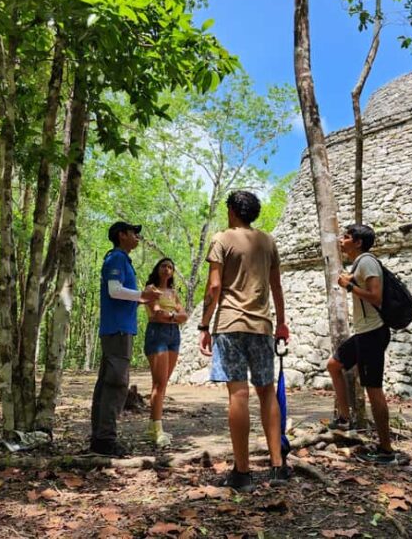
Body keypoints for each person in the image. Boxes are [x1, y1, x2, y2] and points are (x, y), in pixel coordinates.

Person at [198, 190, 291, 492]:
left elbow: (214, 287)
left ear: (232, 211)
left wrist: (203, 325)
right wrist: (281, 323)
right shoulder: (267, 241)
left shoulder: (221, 239)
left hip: (230, 324)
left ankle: (243, 472)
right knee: (266, 394)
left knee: (238, 394)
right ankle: (278, 466)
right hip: (262, 326)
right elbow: (276, 284)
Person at [326, 224, 400, 465]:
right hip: (364, 333)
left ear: (358, 242)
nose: (341, 239)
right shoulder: (359, 263)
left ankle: (386, 451)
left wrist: (349, 286)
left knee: (374, 390)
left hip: (373, 333)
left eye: (346, 237)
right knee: (334, 364)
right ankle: (345, 419)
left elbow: (375, 296)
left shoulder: (367, 262)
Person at [90, 221, 159, 457]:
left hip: (120, 328)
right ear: (122, 235)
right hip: (117, 329)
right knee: (116, 383)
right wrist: (142, 295)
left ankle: (100, 438)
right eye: (134, 233)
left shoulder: (122, 259)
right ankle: (106, 440)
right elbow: (114, 290)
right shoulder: (116, 258)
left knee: (107, 382)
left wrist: (143, 298)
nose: (137, 238)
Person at [143, 257, 188, 447]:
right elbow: (157, 314)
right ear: (157, 268)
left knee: (164, 383)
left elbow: (185, 315)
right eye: (164, 266)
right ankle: (156, 429)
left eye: (171, 267)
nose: (167, 269)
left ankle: (154, 426)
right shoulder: (151, 290)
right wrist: (173, 316)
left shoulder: (173, 293)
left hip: (173, 335)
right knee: (159, 384)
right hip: (157, 334)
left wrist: (170, 317)